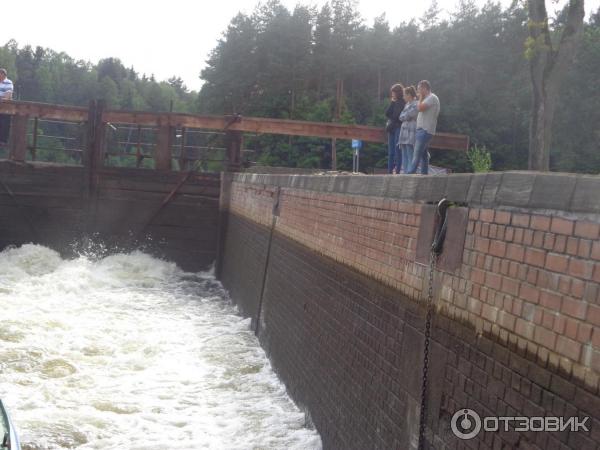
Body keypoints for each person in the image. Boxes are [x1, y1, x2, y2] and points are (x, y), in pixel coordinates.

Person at [406, 80, 440, 175]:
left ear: (424, 88)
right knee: (424, 155)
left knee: (416, 154)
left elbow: (420, 108)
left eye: (419, 89)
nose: (418, 91)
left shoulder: (431, 97)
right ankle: (424, 175)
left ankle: (410, 173)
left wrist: (420, 97)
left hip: (425, 130)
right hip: (422, 129)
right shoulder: (427, 98)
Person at [384, 83, 405, 174]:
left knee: (397, 152)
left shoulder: (401, 102)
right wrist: (392, 102)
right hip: (392, 128)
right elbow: (387, 113)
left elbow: (396, 116)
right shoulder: (395, 102)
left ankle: (397, 171)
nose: (392, 94)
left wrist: (388, 127)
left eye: (394, 93)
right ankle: (389, 171)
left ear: (398, 93)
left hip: (397, 128)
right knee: (391, 152)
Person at [398, 86, 418, 174]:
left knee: (410, 153)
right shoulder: (406, 105)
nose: (403, 97)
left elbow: (410, 114)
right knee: (404, 154)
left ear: (409, 95)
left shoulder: (416, 104)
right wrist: (405, 116)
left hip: (411, 131)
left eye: (404, 95)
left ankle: (410, 173)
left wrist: (405, 116)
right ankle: (405, 172)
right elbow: (400, 116)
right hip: (404, 132)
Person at [0, 68, 14, 145]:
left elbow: (8, 95)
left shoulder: (8, 82)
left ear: (4, 75)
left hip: (5, 106)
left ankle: (3, 140)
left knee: (4, 123)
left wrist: (2, 98)